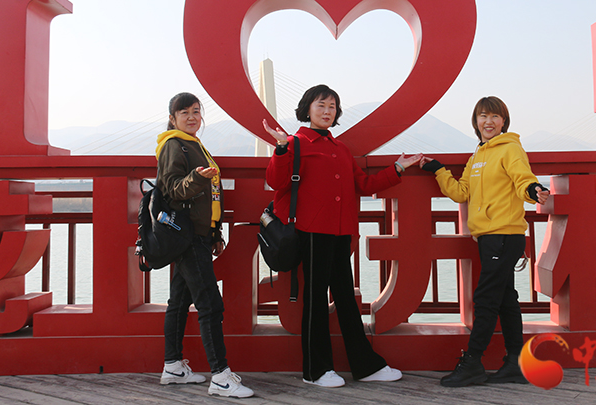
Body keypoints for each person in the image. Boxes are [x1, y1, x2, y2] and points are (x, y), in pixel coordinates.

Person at [262, 84, 421, 388]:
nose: (327, 111)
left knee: (346, 299)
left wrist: (398, 168)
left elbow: (363, 185)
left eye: (332, 106)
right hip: (311, 232)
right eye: (321, 105)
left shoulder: (341, 149)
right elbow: (275, 181)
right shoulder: (295, 143)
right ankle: (315, 371)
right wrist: (280, 148)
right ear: (307, 109)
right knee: (315, 301)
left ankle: (365, 366)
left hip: (339, 234)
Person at [420, 96, 549, 387]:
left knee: (486, 299)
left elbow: (523, 179)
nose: (488, 122)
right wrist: (438, 170)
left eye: (494, 116)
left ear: (504, 121)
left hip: (504, 235)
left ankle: (473, 362)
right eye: (482, 116)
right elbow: (461, 192)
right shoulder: (478, 155)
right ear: (475, 121)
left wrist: (534, 190)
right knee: (505, 300)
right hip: (489, 237)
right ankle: (516, 363)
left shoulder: (510, 148)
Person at [156, 92, 253, 398]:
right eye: (184, 112)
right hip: (186, 237)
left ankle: (173, 366)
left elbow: (208, 199)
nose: (192, 117)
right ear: (172, 118)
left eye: (196, 111)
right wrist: (197, 178)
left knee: (179, 301)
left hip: (197, 234)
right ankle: (221, 377)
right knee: (210, 304)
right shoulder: (174, 145)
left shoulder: (194, 145)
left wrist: (215, 233)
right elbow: (172, 189)